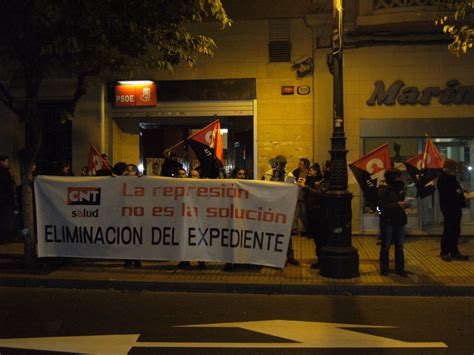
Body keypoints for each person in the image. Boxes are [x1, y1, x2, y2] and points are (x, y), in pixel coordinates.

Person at [262, 155, 299, 266]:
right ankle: (271, 257)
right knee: (272, 233)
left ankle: (290, 256)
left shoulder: (289, 175)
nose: (281, 166)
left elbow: (294, 191)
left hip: (284, 207)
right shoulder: (268, 174)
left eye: (283, 164)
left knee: (286, 233)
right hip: (271, 207)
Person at [377, 168, 410, 277]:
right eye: (397, 176)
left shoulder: (400, 187)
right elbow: (380, 208)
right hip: (388, 221)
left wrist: (406, 204)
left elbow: (401, 199)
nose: (400, 178)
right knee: (386, 245)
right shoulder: (383, 189)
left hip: (399, 220)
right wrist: (397, 205)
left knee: (399, 245)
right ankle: (384, 268)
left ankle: (400, 269)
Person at [437, 159, 468, 262]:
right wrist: (459, 194)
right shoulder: (443, 179)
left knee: (455, 230)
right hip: (449, 208)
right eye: (454, 168)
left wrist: (461, 193)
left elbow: (457, 189)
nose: (455, 170)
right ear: (449, 168)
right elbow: (449, 194)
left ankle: (454, 252)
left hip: (455, 207)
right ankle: (444, 252)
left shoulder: (451, 178)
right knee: (449, 230)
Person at [0, 156, 16, 244]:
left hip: (4, 200)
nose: (8, 163)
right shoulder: (4, 172)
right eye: (6, 162)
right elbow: (9, 186)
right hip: (6, 200)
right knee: (6, 220)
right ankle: (5, 238)